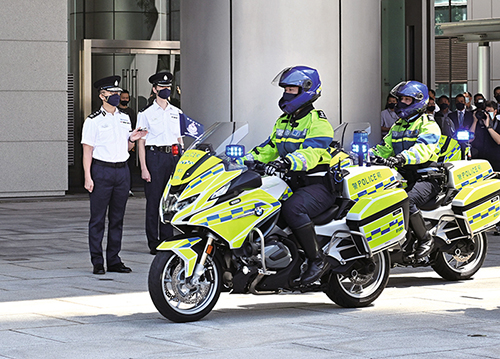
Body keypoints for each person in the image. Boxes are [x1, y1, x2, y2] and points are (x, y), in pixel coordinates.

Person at [238, 66, 335, 285]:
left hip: (317, 184)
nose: (286, 94)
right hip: (290, 182)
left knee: (293, 208)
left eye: (292, 89)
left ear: (307, 91)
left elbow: (312, 151)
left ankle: (317, 259)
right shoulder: (283, 121)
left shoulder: (318, 122)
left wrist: (288, 161)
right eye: (286, 89)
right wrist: (240, 160)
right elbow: (269, 148)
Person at [81, 75, 146, 274]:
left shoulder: (124, 117)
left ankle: (114, 259)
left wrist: (133, 139)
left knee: (117, 218)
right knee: (98, 219)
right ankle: (97, 261)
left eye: (118, 93)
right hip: (101, 171)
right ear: (102, 95)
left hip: (122, 171)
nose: (117, 96)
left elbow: (126, 145)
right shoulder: (93, 121)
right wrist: (87, 176)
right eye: (112, 93)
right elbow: (87, 151)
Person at [371, 81, 441, 259]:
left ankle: (425, 238)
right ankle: (403, 238)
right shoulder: (398, 126)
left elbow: (423, 149)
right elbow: (383, 148)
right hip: (405, 176)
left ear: (419, 101)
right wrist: (363, 155)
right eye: (400, 99)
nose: (401, 103)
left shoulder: (428, 125)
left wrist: (402, 158)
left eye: (407, 100)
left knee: (406, 199)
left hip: (427, 177)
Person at [136, 71, 183, 255]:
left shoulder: (176, 112)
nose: (166, 90)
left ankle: (167, 238)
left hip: (173, 157)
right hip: (154, 158)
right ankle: (153, 241)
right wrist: (144, 168)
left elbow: (180, 138)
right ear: (155, 89)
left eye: (168, 87)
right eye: (162, 87)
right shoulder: (146, 114)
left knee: (170, 201)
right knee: (154, 202)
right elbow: (141, 142)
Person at [470, 100, 500, 170]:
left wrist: (488, 126)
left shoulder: (499, 124)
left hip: (496, 161)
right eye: (485, 112)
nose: (487, 114)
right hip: (480, 160)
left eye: (489, 111)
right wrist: (475, 121)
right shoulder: (478, 124)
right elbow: (470, 138)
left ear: (495, 112)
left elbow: (499, 141)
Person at [118, 90, 137, 196]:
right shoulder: (116, 112)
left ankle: (129, 187)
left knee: (129, 166)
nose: (125, 100)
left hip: (130, 142)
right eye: (123, 98)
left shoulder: (131, 112)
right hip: (119, 143)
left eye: (126, 98)